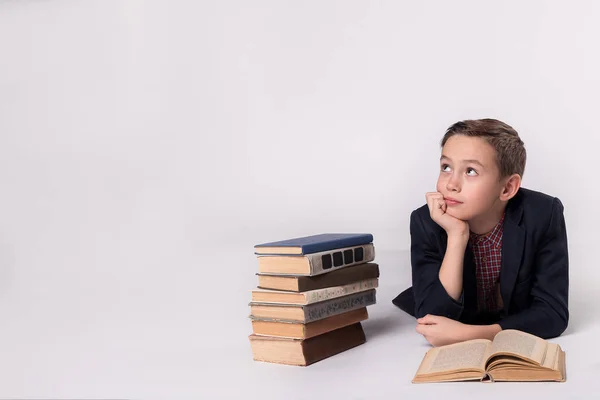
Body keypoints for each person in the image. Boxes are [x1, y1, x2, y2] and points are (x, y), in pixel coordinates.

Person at [392, 119, 568, 347]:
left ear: (507, 188)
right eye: (446, 167)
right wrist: (457, 236)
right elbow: (432, 320)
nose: (451, 184)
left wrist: (471, 334)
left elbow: (553, 313)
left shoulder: (543, 214)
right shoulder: (426, 221)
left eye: (471, 171)